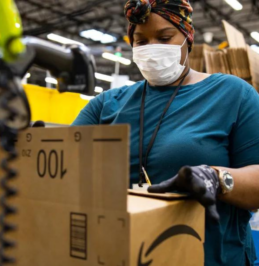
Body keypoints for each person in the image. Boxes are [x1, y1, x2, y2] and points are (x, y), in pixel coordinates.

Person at [72, 0, 259, 265]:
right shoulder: (105, 105)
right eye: (140, 41)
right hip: (125, 254)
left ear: (187, 38)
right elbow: (62, 164)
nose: (151, 49)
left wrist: (216, 178)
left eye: (164, 37)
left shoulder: (233, 94)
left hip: (211, 256)